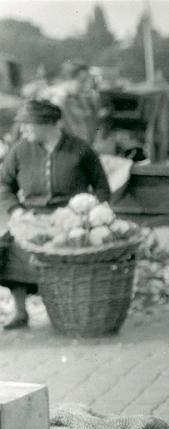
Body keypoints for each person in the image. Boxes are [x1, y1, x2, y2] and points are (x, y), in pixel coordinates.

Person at [0, 100, 111, 329]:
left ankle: (66, 309)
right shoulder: (20, 150)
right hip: (31, 217)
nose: (23, 130)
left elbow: (102, 187)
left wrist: (89, 211)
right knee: (10, 249)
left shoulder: (80, 149)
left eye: (29, 125)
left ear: (50, 124)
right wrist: (17, 210)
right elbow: (4, 184)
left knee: (65, 255)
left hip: (69, 219)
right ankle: (20, 311)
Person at [43, 61, 101, 145]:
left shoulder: (81, 97)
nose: (86, 85)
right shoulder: (59, 97)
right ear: (68, 79)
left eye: (87, 80)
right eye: (82, 81)